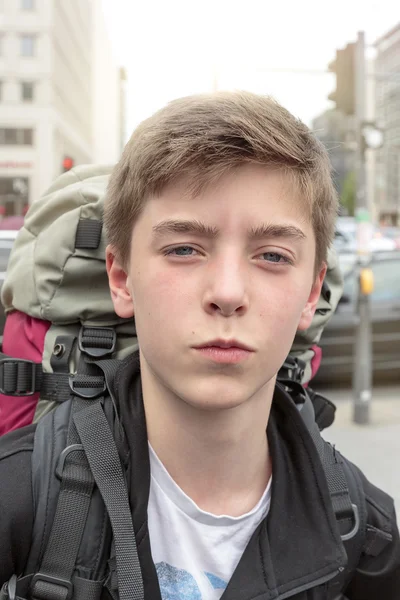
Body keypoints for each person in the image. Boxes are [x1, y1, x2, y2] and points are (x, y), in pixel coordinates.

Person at [0, 91, 399, 600]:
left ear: (312, 293)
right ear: (121, 277)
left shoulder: (367, 532)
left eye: (273, 256)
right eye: (184, 248)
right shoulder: (19, 497)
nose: (228, 293)